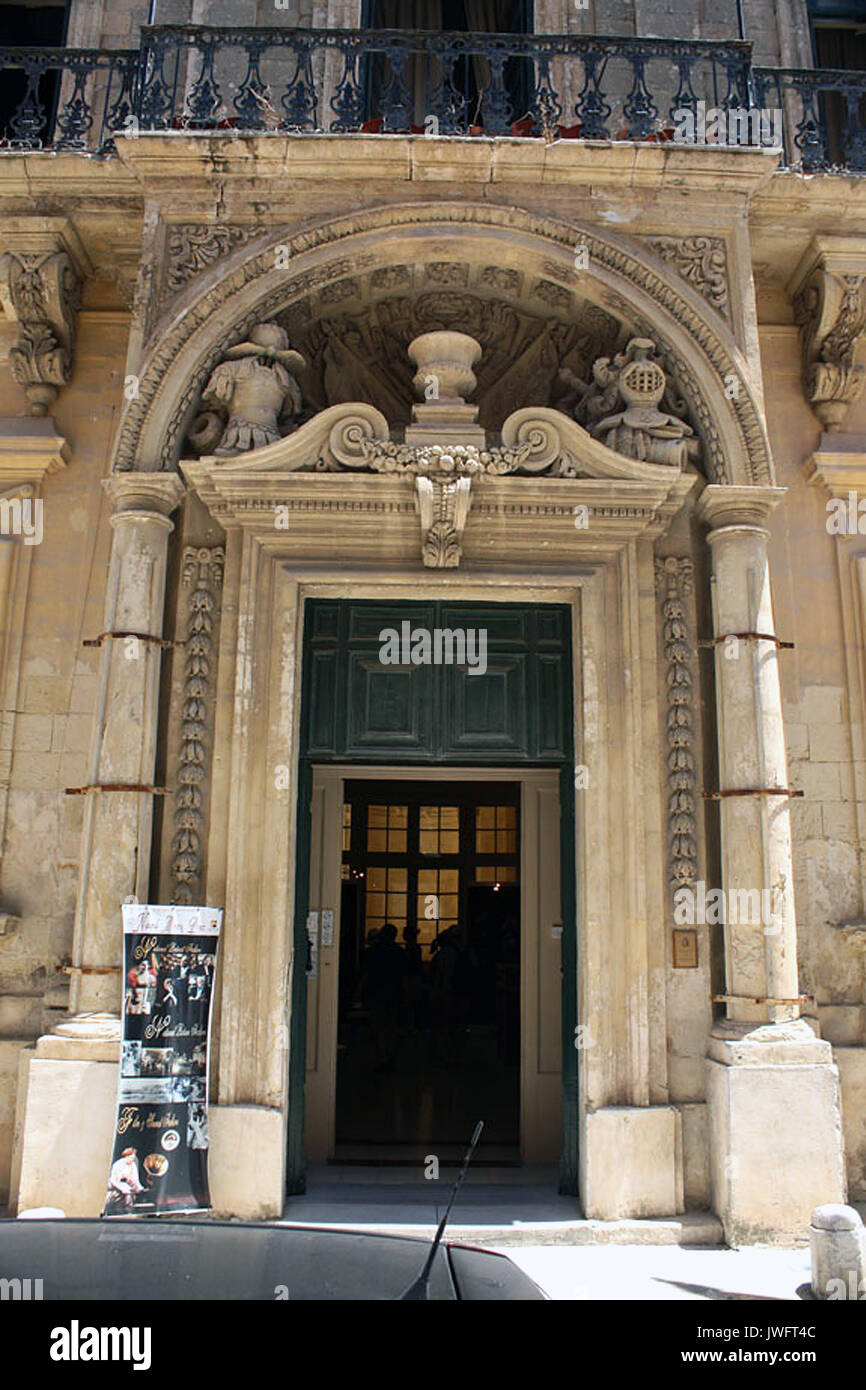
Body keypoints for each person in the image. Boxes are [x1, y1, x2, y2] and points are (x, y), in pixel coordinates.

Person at [365, 923, 405, 1072]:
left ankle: (383, 1057)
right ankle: (390, 1056)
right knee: (391, 1027)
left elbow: (366, 974)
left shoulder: (373, 952)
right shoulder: (399, 952)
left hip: (377, 993)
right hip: (394, 993)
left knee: (379, 1027)